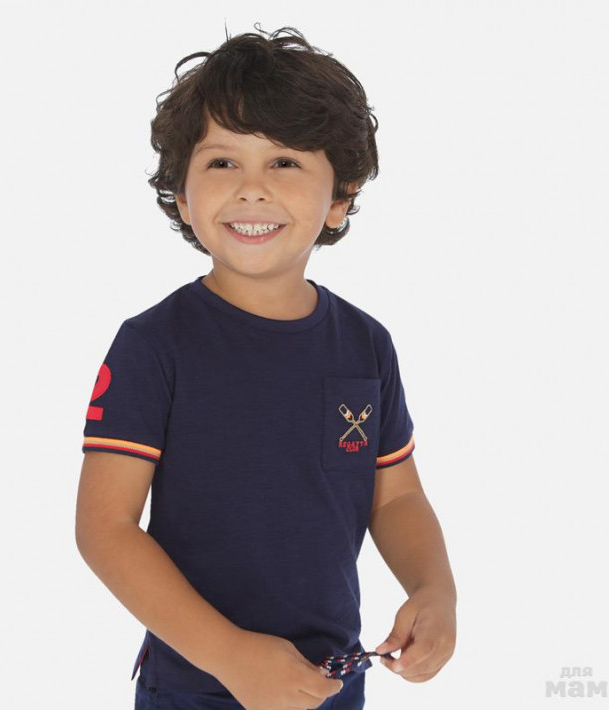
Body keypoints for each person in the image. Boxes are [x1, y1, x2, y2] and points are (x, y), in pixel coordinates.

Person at [75, 23, 456, 710]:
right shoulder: (153, 345)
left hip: (331, 682)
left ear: (339, 196)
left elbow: (396, 497)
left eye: (284, 162)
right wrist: (231, 656)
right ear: (182, 195)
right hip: (193, 689)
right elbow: (106, 527)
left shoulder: (367, 345)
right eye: (223, 163)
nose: (252, 189)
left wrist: (435, 589)